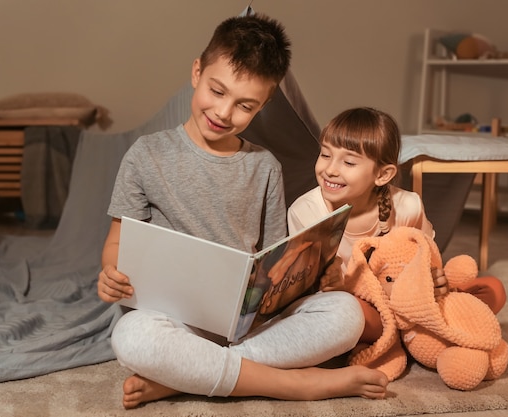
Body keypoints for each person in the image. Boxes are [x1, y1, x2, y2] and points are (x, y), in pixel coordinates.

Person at [97, 15, 388, 410]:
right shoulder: (146, 155)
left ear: (264, 105)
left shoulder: (265, 166)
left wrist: (310, 274)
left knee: (345, 314)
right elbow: (118, 241)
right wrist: (112, 274)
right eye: (217, 91)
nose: (223, 111)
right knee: (133, 338)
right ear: (197, 72)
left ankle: (186, 379)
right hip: (173, 320)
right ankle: (298, 385)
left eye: (244, 105)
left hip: (248, 325)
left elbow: (273, 258)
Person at [288, 107, 507, 328]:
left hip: (409, 300)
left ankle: (414, 331)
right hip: (359, 306)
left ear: (383, 175)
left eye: (349, 162)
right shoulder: (305, 212)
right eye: (325, 155)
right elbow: (306, 290)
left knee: (493, 288)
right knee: (344, 313)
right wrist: (337, 285)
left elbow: (427, 259)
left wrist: (435, 281)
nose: (330, 170)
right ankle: (412, 332)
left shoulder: (407, 205)